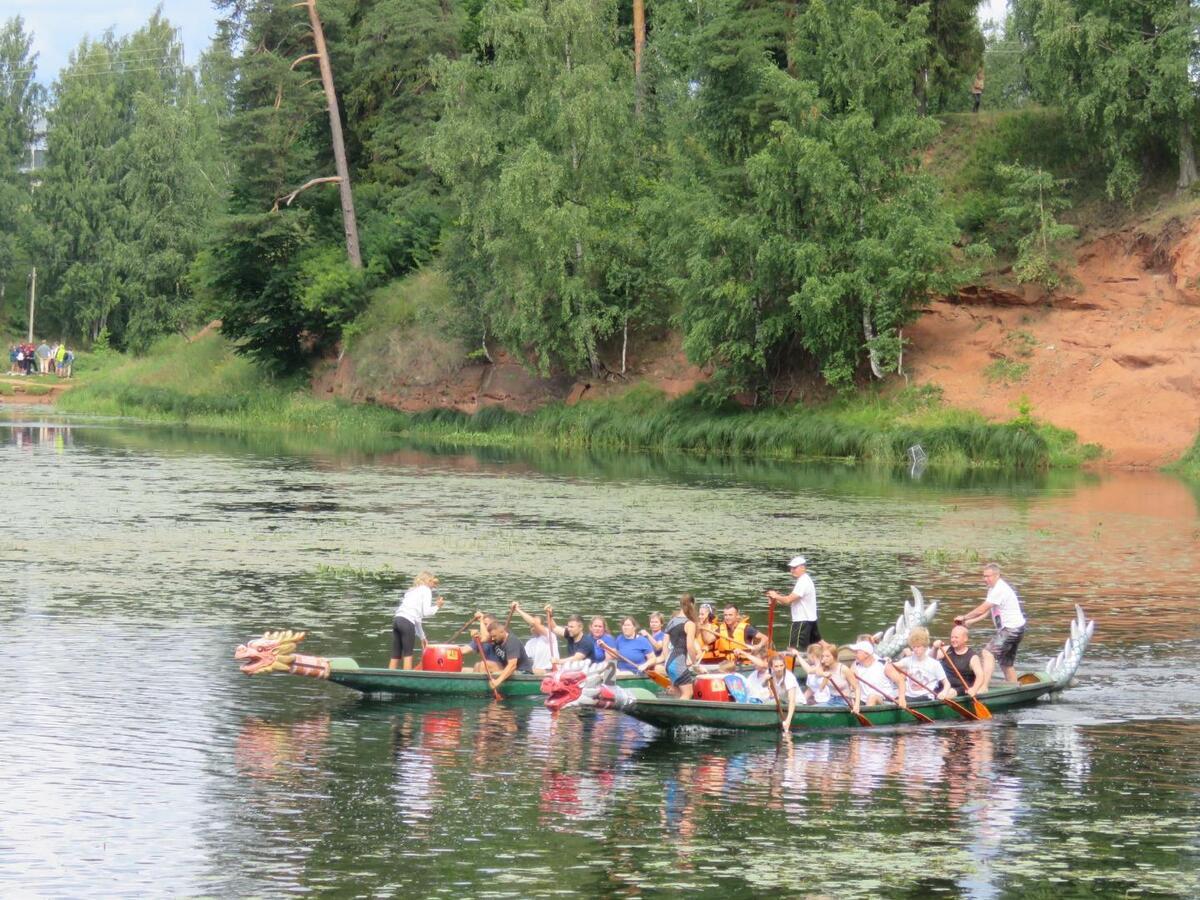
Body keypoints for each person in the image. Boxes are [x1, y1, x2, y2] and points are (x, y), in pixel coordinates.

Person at [955, 562, 1027, 691]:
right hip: (1017, 628)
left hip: (1011, 629)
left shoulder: (1000, 588)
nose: (985, 579)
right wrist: (971, 622)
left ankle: (983, 686)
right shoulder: (993, 590)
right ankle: (1014, 688)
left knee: (987, 652)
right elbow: (989, 611)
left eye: (988, 576)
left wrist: (965, 617)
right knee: (1005, 663)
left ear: (997, 575)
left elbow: (982, 609)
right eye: (984, 576)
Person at [389, 571, 443, 670]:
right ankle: (406, 680)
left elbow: (417, 619)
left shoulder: (412, 590)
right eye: (432, 581)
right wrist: (438, 606)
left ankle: (388, 678)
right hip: (407, 622)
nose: (433, 585)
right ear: (429, 581)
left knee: (396, 654)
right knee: (408, 653)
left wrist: (422, 637)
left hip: (397, 620)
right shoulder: (426, 590)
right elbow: (426, 612)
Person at [767, 555, 821, 652]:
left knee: (793, 649)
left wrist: (776, 596)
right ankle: (834, 655)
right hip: (810, 619)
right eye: (791, 568)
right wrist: (776, 599)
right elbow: (790, 601)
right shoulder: (805, 579)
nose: (792, 570)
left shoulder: (803, 582)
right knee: (819, 643)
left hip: (801, 621)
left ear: (803, 568)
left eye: (795, 568)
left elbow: (788, 600)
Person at [737, 651, 801, 733]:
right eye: (776, 666)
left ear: (784, 665)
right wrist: (765, 679)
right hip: (782, 701)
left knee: (771, 703)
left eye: (781, 666)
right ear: (771, 667)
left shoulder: (789, 677)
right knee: (765, 703)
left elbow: (792, 701)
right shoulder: (770, 673)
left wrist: (788, 721)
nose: (779, 669)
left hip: (797, 703)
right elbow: (763, 685)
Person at [887, 626, 945, 709]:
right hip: (910, 696)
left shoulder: (934, 664)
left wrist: (944, 692)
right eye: (913, 647)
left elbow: (947, 684)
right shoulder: (908, 660)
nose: (915, 650)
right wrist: (888, 662)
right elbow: (893, 665)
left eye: (918, 647)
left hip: (925, 697)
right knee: (891, 700)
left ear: (925, 646)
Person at [660, 594, 700, 699]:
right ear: (692, 604)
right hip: (678, 663)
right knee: (688, 693)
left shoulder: (672, 621)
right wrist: (695, 664)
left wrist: (666, 661)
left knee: (678, 694)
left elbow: (665, 644)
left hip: (669, 663)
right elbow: (690, 646)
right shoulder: (689, 623)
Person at [934, 625, 984, 700]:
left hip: (961, 688)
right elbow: (931, 659)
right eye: (952, 637)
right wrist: (934, 648)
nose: (953, 640)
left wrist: (974, 689)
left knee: (948, 693)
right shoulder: (946, 650)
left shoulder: (973, 657)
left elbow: (980, 675)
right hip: (944, 685)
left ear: (965, 639)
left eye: (956, 637)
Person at [510, 602, 558, 674]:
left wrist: (517, 609)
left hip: (550, 671)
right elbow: (523, 659)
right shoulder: (530, 643)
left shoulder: (549, 636)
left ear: (542, 626)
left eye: (535, 626)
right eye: (531, 626)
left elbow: (533, 622)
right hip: (536, 671)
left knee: (518, 672)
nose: (533, 628)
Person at [484, 618, 534, 687]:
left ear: (502, 632)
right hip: (508, 668)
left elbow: (512, 665)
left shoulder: (512, 642)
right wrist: (476, 634)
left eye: (494, 636)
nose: (492, 639)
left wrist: (498, 681)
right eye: (492, 636)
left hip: (523, 672)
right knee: (480, 665)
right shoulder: (497, 638)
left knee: (487, 666)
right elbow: (483, 639)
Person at [849, 640, 891, 707]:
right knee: (848, 698)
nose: (855, 654)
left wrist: (902, 699)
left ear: (866, 654)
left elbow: (900, 681)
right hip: (862, 699)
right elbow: (851, 685)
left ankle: (867, 714)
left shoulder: (883, 664)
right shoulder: (855, 665)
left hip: (883, 699)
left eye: (857, 652)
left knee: (872, 697)